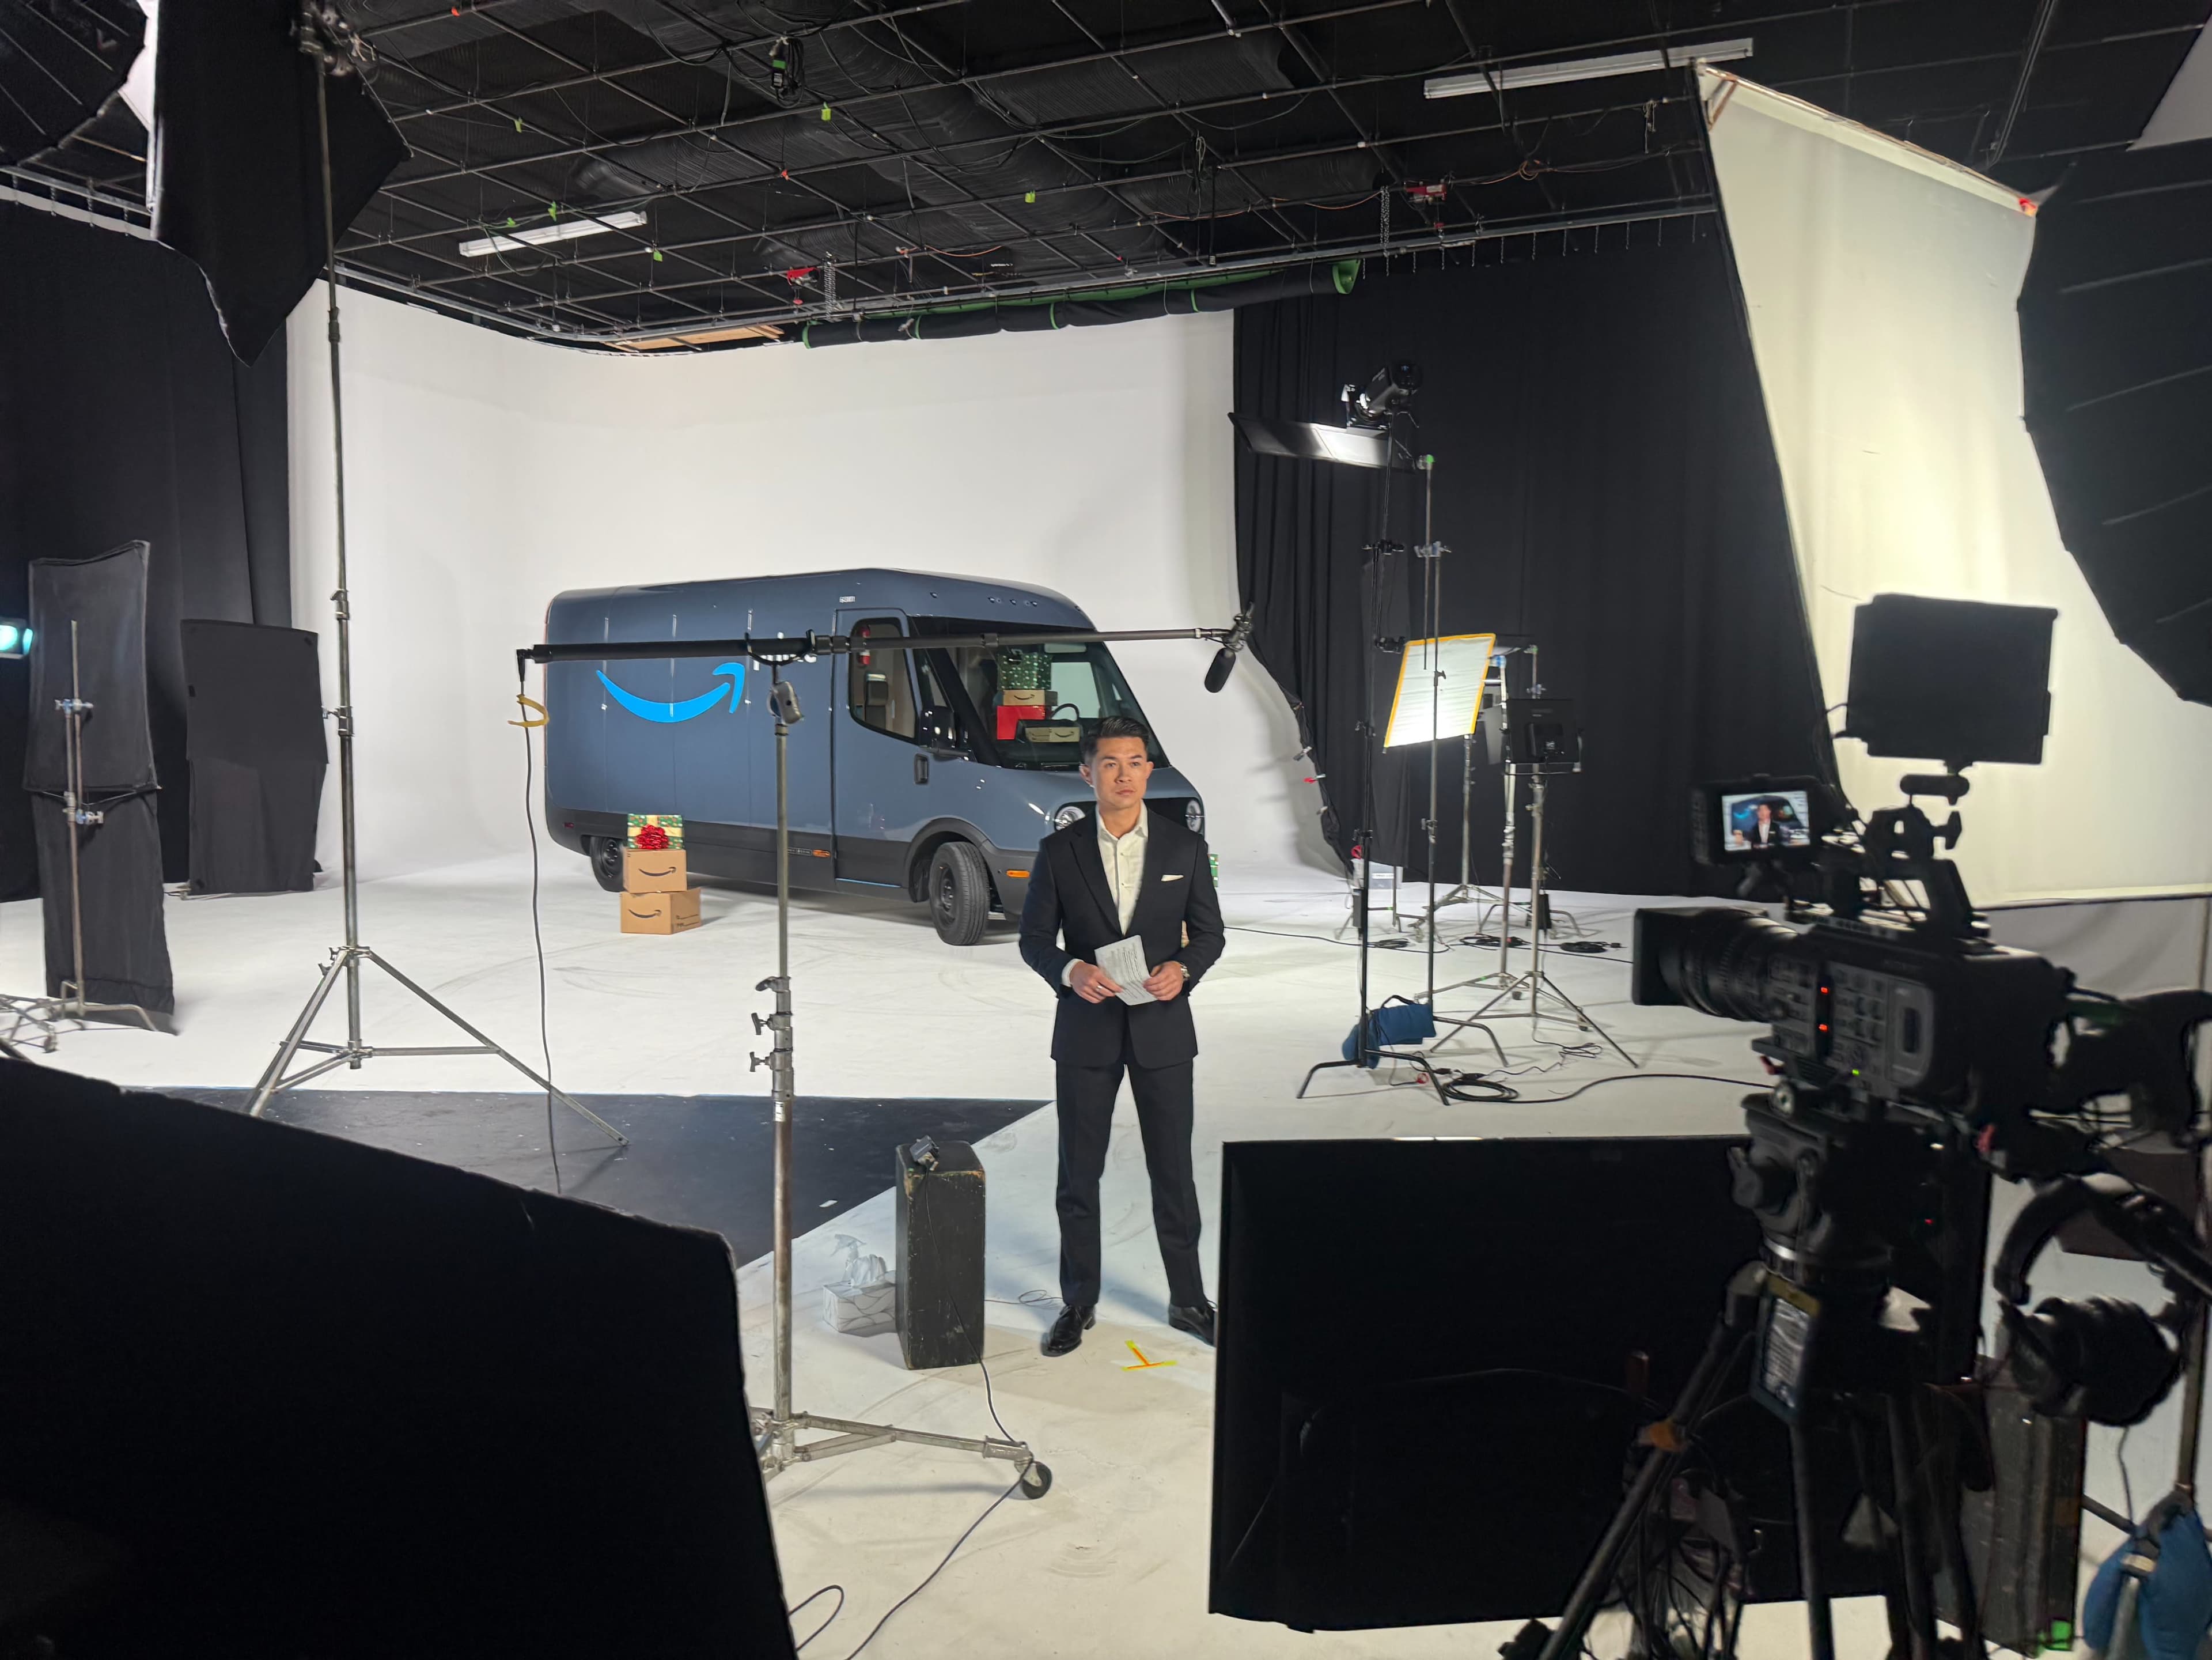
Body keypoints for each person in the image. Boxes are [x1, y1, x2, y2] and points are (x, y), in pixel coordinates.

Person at [1018, 715, 1225, 1356]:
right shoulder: (1060, 851)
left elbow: (1210, 933)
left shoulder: (1184, 848)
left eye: (1135, 762)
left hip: (1163, 1030)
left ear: (1148, 770)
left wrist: (1182, 970)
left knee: (1174, 1171)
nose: (1125, 774)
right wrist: (1070, 970)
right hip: (1087, 1030)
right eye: (1110, 763)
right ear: (1088, 774)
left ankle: (1189, 1299)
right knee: (1078, 1173)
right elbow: (1034, 939)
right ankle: (1078, 1301)